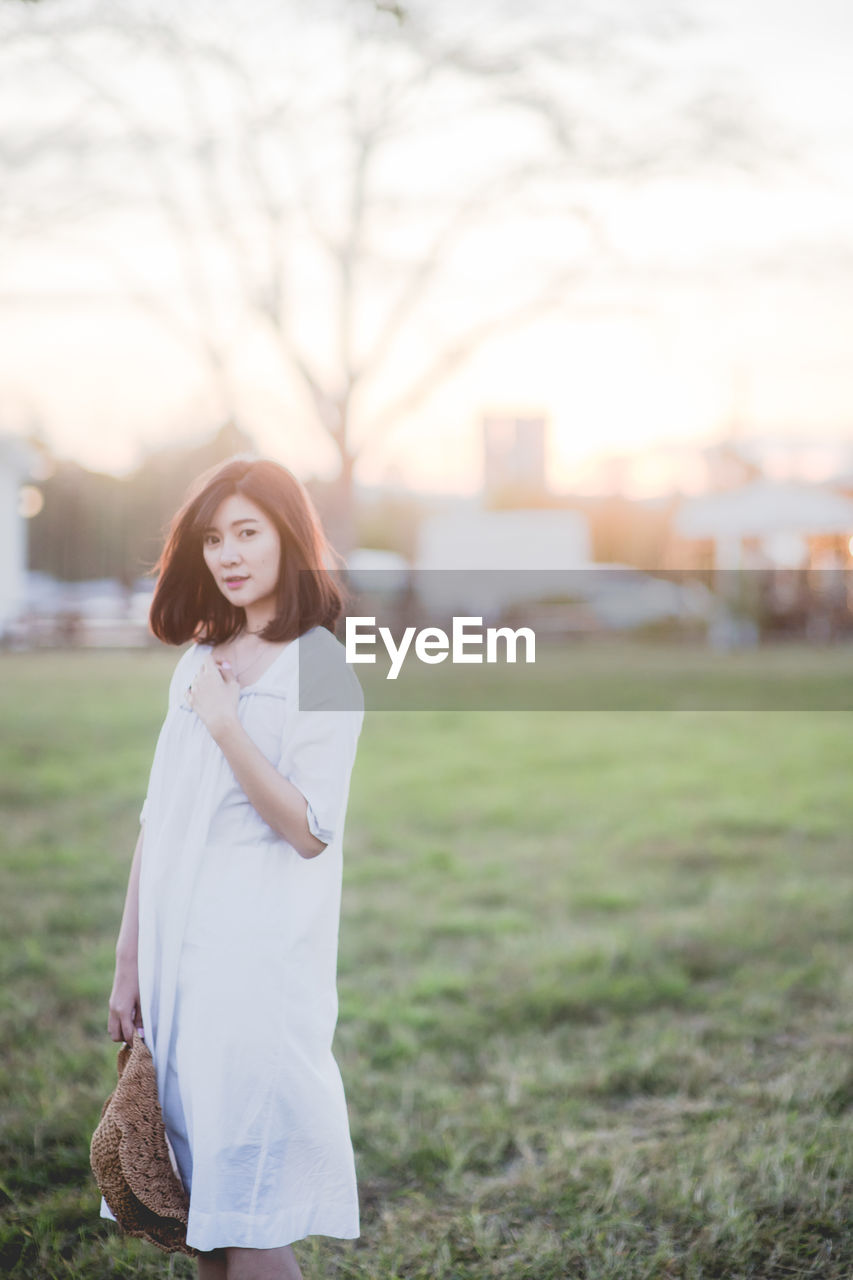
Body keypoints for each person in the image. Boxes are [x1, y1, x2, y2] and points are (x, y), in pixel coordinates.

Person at [104, 456, 364, 1280]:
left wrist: (226, 725)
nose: (228, 553)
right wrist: (128, 962)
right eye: (214, 538)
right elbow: (160, 819)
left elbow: (310, 830)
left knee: (248, 1207)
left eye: (248, 532)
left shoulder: (319, 664)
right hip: (180, 968)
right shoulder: (200, 657)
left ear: (290, 540)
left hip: (254, 969)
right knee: (204, 1211)